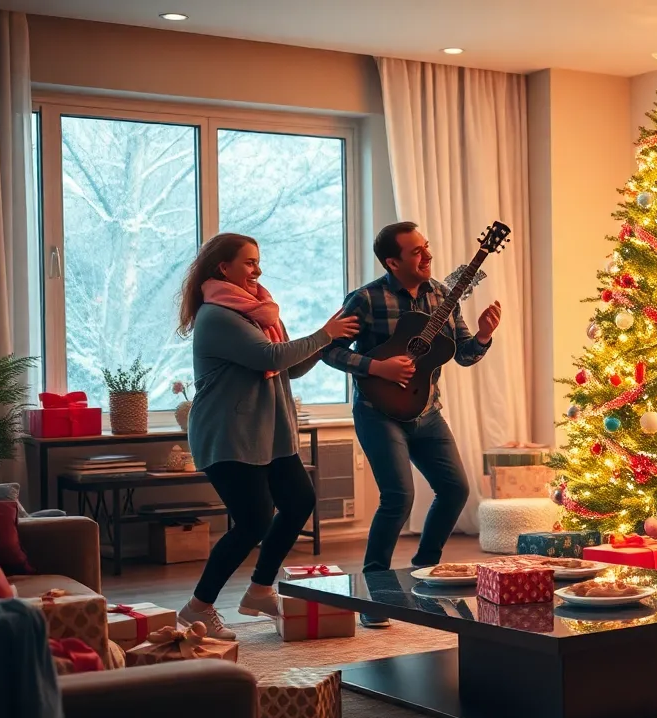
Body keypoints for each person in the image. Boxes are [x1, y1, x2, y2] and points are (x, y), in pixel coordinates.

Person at [176, 233, 359, 639]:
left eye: (258, 261)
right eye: (249, 262)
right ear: (223, 267)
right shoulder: (217, 316)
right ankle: (197, 608)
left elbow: (290, 367)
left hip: (269, 434)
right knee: (254, 521)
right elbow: (269, 357)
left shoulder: (262, 314)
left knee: (299, 501)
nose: (257, 270)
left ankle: (259, 590)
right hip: (229, 435)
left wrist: (328, 340)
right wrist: (324, 334)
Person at [321, 221, 501, 629]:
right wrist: (377, 367)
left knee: (455, 489)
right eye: (416, 251)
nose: (427, 255)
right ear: (392, 262)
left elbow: (463, 354)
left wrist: (483, 337)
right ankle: (376, 592)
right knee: (398, 497)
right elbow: (330, 350)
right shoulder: (366, 299)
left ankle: (425, 573)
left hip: (427, 410)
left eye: (427, 247)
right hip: (378, 411)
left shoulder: (441, 294)